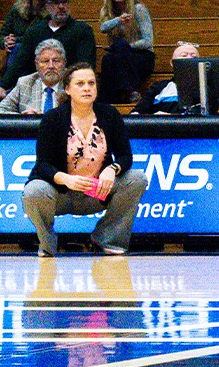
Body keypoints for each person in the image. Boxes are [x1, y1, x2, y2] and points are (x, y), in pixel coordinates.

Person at [21, 63, 149, 257]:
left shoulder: (109, 114)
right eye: (80, 83)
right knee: (33, 191)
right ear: (67, 89)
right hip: (61, 194)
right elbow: (43, 165)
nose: (87, 88)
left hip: (96, 191)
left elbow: (126, 156)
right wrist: (65, 178)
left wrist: (112, 169)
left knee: (136, 178)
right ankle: (47, 241)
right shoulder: (53, 118)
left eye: (91, 83)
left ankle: (107, 239)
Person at [97, 0, 154, 104]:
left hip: (142, 57)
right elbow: (103, 28)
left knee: (119, 46)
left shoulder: (139, 9)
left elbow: (147, 41)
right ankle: (110, 101)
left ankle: (130, 91)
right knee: (107, 59)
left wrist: (125, 46)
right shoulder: (107, 10)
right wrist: (118, 20)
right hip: (121, 58)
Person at [0, 39, 69, 115]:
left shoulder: (73, 82)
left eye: (56, 61)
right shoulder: (25, 84)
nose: (51, 66)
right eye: (45, 61)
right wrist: (25, 118)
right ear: (36, 65)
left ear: (64, 63)